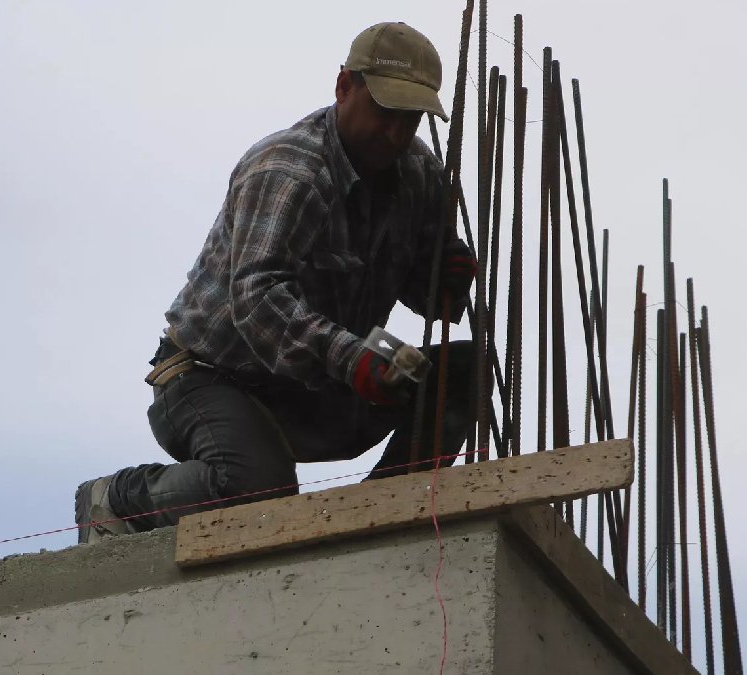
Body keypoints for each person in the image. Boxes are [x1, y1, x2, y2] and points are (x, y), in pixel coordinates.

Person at [75, 21, 478, 542]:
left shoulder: (419, 173)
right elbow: (258, 298)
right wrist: (353, 357)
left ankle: (379, 522)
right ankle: (117, 499)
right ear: (343, 88)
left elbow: (429, 299)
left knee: (461, 373)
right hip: (212, 376)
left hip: (321, 379)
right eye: (386, 114)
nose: (397, 134)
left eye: (411, 120)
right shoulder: (289, 171)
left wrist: (444, 280)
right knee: (258, 492)